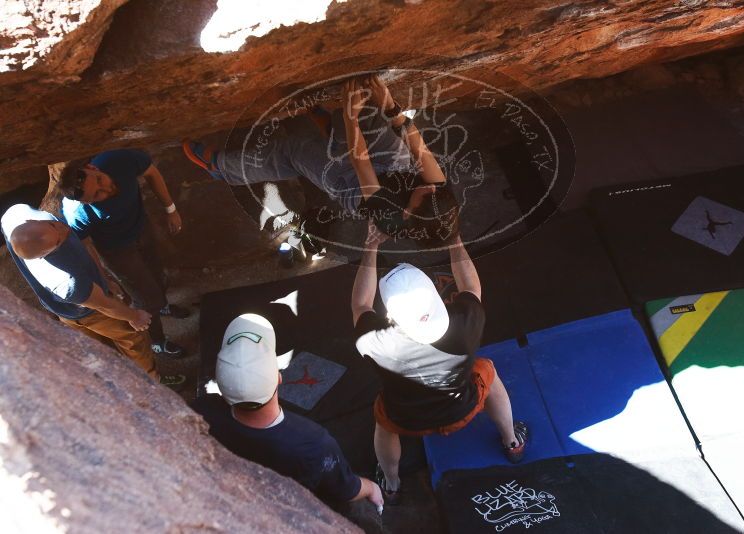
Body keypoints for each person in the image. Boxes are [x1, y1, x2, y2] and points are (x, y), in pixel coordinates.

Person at [351, 224, 528, 503]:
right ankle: (512, 442)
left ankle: (392, 483)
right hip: (463, 409)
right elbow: (471, 285)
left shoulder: (374, 341)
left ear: (391, 317)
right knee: (487, 370)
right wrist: (453, 235)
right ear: (436, 296)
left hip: (406, 419)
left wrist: (370, 246)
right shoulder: (466, 320)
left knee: (383, 421)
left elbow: (361, 304)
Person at [183, 75, 459, 249]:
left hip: (353, 186)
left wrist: (350, 114)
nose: (432, 188)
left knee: (295, 151)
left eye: (428, 194)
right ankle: (331, 126)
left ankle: (220, 168)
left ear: (410, 214)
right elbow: (419, 149)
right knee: (373, 119)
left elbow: (359, 161)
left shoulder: (389, 215)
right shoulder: (439, 197)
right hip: (397, 170)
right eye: (436, 190)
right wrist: (390, 106)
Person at [193, 313, 383, 510]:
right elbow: (346, 489)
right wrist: (371, 488)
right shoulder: (314, 444)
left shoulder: (201, 411)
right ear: (279, 378)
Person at [0, 203, 185, 388]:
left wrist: (104, 279)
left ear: (32, 220)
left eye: (53, 225)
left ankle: (120, 383)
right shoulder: (67, 281)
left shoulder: (20, 216)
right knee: (133, 339)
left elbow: (84, 245)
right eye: (58, 241)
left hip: (67, 308)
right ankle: (152, 384)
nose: (63, 229)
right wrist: (135, 316)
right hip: (88, 312)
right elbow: (104, 305)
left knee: (95, 349)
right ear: (45, 254)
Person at [58, 149, 190, 358]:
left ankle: (162, 306)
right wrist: (103, 277)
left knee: (159, 276)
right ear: (84, 202)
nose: (106, 190)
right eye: (96, 196)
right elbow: (86, 244)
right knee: (146, 299)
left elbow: (151, 172)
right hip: (117, 250)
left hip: (141, 228)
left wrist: (170, 209)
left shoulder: (118, 161)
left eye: (100, 180)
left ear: (92, 168)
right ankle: (157, 341)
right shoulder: (77, 213)